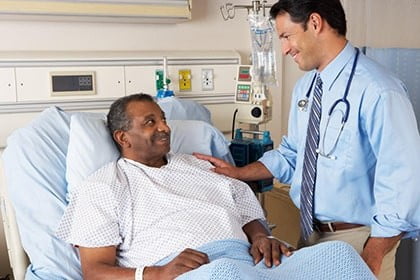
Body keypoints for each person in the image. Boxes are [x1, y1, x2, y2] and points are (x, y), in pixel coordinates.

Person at [195, 0, 420, 279]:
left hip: (359, 241)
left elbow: (405, 178)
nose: (285, 49)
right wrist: (239, 173)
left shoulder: (378, 89)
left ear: (315, 23)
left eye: (287, 36)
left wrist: (373, 253)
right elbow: (293, 154)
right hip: (310, 237)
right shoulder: (307, 87)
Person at [56, 93, 292, 280]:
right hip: (190, 272)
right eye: (150, 122)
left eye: (163, 119)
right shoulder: (103, 187)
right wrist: (158, 274)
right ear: (123, 138)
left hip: (250, 263)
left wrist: (261, 237)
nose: (165, 128)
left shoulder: (200, 165)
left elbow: (244, 208)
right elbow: (95, 272)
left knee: (328, 255)